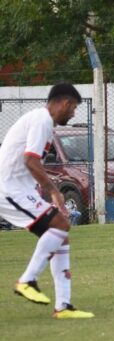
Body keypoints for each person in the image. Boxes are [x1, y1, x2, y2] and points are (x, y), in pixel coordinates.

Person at [2, 83, 94, 318]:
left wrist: (49, 194)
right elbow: (30, 161)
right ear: (64, 103)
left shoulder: (45, 124)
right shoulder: (41, 119)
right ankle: (27, 281)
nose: (73, 113)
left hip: (19, 189)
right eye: (73, 108)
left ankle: (63, 306)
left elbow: (30, 164)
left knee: (60, 236)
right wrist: (54, 191)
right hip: (8, 189)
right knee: (60, 226)